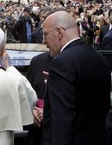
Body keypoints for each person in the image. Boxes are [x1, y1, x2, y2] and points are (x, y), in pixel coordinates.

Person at [42, 10, 111, 145]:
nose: (44, 41)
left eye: (45, 34)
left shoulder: (61, 63)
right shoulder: (100, 58)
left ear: (59, 32)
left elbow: (61, 122)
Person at [24, 51, 53, 145]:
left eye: (46, 35)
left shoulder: (76, 62)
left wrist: (49, 114)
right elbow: (26, 96)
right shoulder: (37, 61)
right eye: (43, 35)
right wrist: (31, 112)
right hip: (36, 135)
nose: (43, 40)